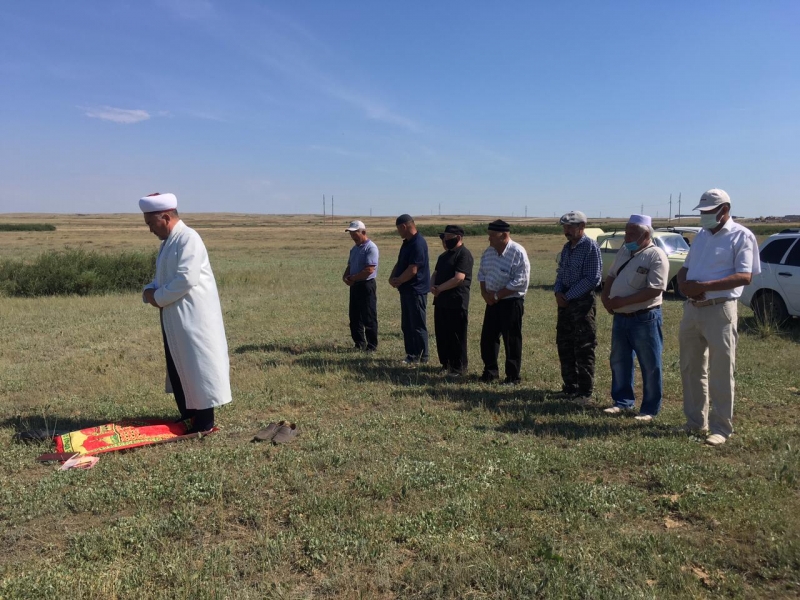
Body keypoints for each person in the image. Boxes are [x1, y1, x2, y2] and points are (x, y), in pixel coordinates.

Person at [139, 192, 232, 433]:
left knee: (197, 365)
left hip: (193, 316)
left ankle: (203, 423)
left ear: (165, 217)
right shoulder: (168, 243)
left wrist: (158, 297)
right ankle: (188, 416)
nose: (150, 229)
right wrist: (150, 290)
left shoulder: (189, 238)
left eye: (151, 223)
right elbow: (162, 278)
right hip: (174, 316)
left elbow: (185, 279)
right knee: (178, 365)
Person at [677, 189, 760, 446]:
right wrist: (685, 286)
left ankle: (721, 428)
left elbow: (744, 276)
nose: (704, 216)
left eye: (709, 211)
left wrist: (704, 286)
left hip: (720, 309)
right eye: (702, 212)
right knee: (691, 367)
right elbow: (685, 268)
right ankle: (695, 422)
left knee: (722, 370)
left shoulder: (742, 236)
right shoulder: (701, 236)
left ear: (724, 210)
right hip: (692, 308)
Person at [600, 215, 669, 421]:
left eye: (632, 233)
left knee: (650, 364)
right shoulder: (624, 250)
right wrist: (605, 297)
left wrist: (622, 301)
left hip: (644, 318)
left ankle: (649, 409)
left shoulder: (656, 256)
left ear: (645, 234)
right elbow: (612, 275)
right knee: (619, 360)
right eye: (626, 232)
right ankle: (622, 402)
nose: (627, 236)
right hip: (621, 316)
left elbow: (655, 290)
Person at [554, 210, 602, 404]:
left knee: (583, 347)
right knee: (565, 344)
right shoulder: (567, 248)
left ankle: (584, 392)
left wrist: (568, 296)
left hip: (582, 303)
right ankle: (570, 387)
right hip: (565, 302)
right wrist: (558, 292)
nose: (566, 231)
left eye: (570, 227)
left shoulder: (590, 247)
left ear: (582, 227)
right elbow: (561, 273)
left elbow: (592, 278)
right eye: (565, 227)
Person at [477, 220, 530, 384]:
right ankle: (490, 372)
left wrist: (498, 295)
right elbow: (482, 274)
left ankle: (513, 376)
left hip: (511, 301)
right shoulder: (488, 253)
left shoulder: (517, 252)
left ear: (505, 235)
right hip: (492, 302)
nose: (489, 239)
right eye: (489, 235)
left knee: (511, 340)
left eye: (493, 235)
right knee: (488, 338)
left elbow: (520, 281)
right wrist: (485, 293)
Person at [430, 225, 474, 376]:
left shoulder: (464, 254)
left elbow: (459, 278)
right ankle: (446, 363)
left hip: (456, 301)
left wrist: (440, 288)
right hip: (441, 301)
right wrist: (432, 286)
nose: (445, 240)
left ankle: (458, 367)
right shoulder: (443, 256)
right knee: (442, 334)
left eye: (448, 237)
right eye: (444, 237)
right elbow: (435, 273)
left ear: (458, 238)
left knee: (456, 336)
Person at [389, 214, 430, 363]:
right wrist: (393, 277)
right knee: (407, 325)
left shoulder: (418, 243)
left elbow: (413, 269)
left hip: (416, 290)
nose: (398, 232)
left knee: (417, 324)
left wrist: (399, 280)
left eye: (399, 229)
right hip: (406, 290)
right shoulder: (407, 243)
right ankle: (411, 354)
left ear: (404, 226)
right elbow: (400, 262)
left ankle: (422, 356)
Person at [342, 220, 379, 352]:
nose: (353, 236)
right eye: (351, 233)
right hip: (355, 285)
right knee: (355, 316)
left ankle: (371, 345)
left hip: (366, 285)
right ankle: (359, 343)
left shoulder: (371, 248)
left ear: (363, 232)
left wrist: (353, 277)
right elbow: (350, 266)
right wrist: (345, 276)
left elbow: (369, 270)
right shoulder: (354, 249)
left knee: (368, 316)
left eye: (355, 233)